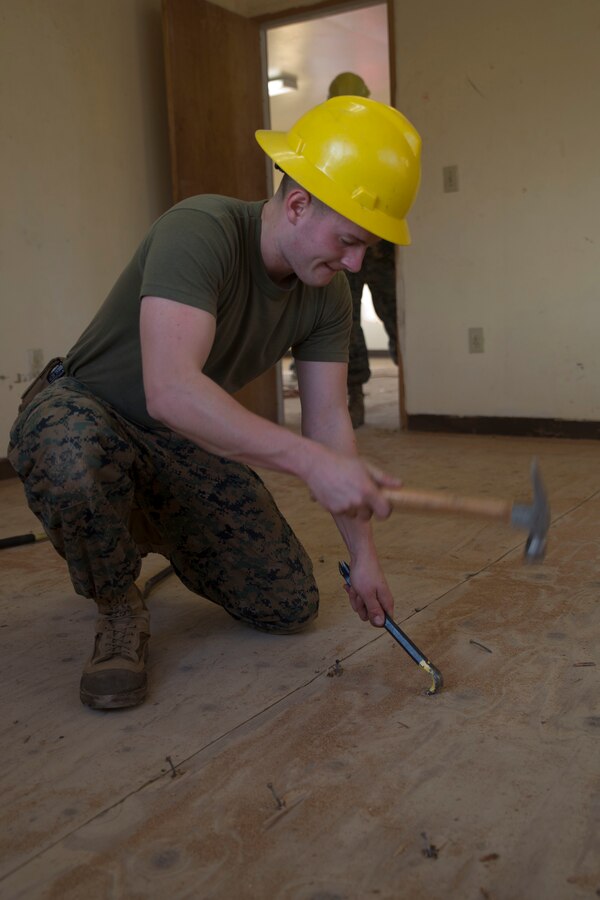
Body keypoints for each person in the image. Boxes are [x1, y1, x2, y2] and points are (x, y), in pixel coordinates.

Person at [8, 96, 421, 711]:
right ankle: (118, 605)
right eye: (349, 241)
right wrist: (307, 463)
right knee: (71, 458)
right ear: (300, 205)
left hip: (174, 440)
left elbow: (330, 424)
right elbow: (171, 389)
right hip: (86, 409)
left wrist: (364, 559)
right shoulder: (200, 229)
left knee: (287, 603)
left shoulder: (326, 295)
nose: (355, 263)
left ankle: (141, 518)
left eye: (368, 250)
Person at [328, 73, 400, 428]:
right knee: (345, 320)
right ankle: (354, 395)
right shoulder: (327, 141)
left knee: (395, 314)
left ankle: (412, 391)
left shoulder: (381, 137)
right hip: (343, 243)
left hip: (380, 246)